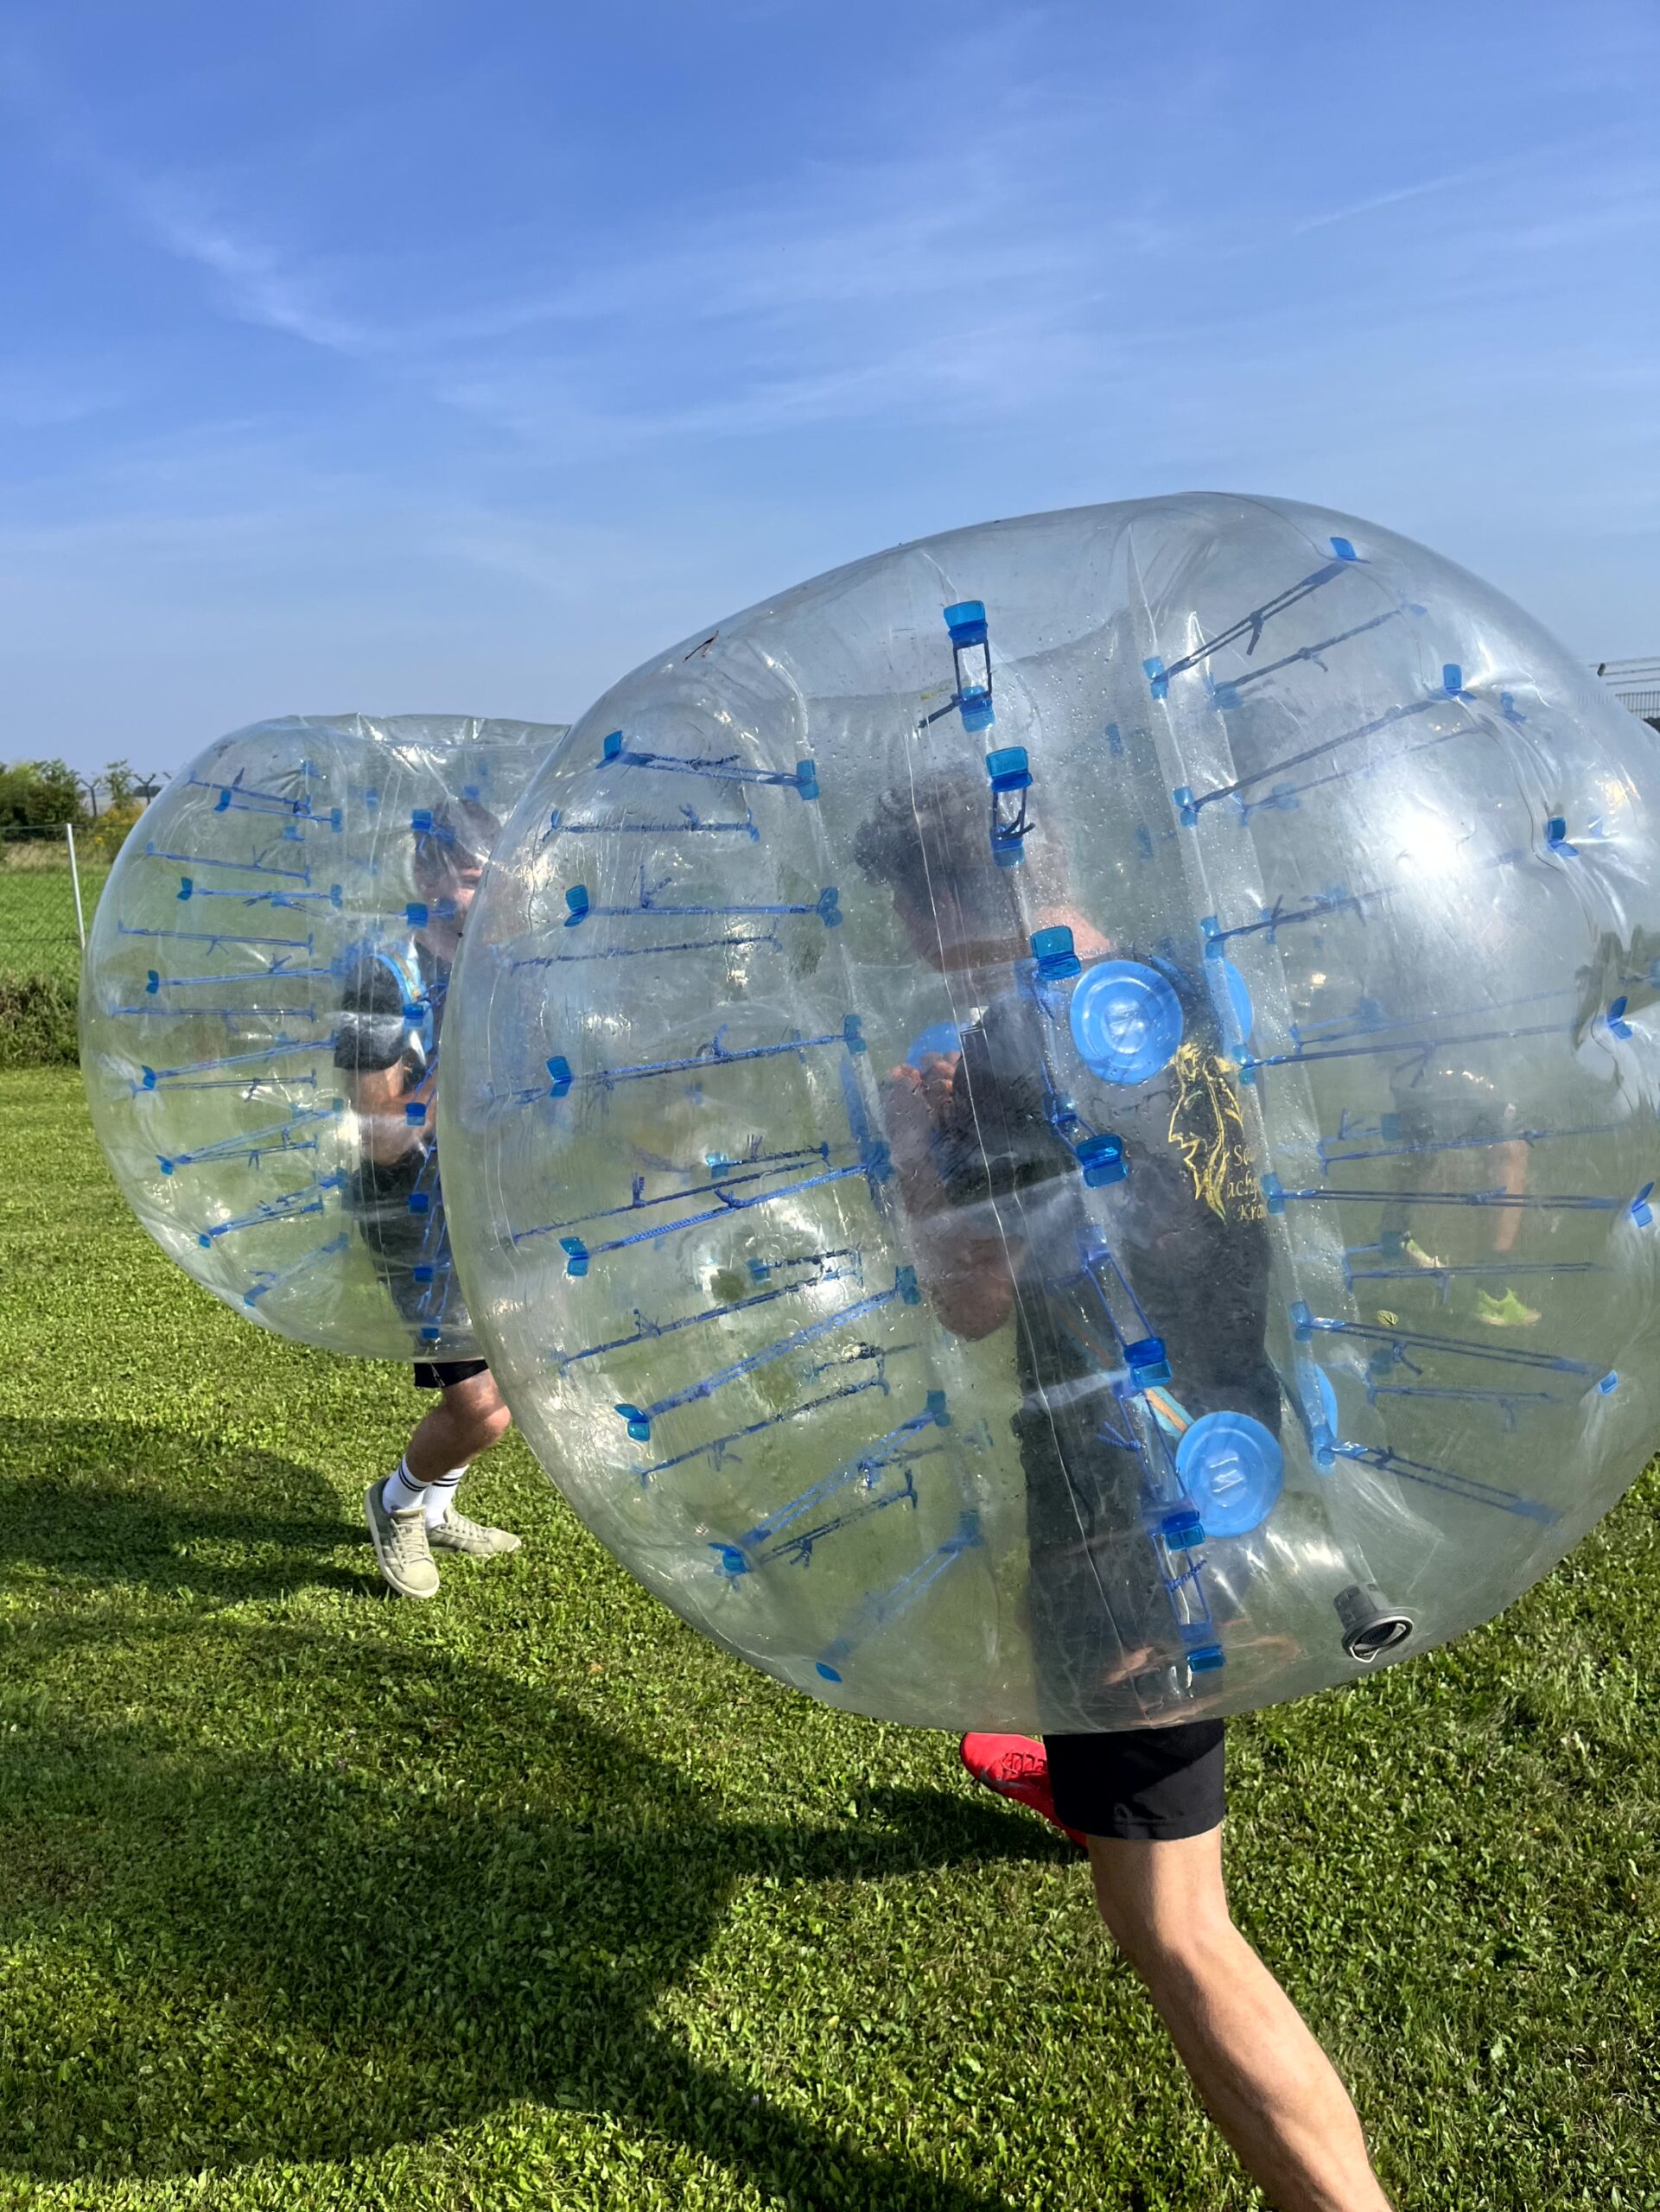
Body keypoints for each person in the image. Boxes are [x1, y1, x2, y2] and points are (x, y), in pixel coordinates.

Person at [854, 773, 1394, 2212]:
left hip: (1121, 1527)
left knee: (1178, 1928)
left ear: (952, 900)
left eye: (910, 911)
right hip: (1231, 1452)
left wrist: (916, 1149)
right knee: (1151, 1892)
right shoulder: (1174, 998)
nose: (909, 947)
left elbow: (973, 1298)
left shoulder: (995, 1060)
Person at [334, 797, 520, 1601]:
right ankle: (399, 1502)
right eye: (472, 878)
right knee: (483, 1407)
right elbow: (380, 1135)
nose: (485, 899)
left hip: (495, 1206)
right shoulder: (381, 982)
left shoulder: (506, 966)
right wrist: (459, 1054)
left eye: (495, 879)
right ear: (425, 877)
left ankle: (438, 1505)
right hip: (410, 1210)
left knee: (518, 1385)